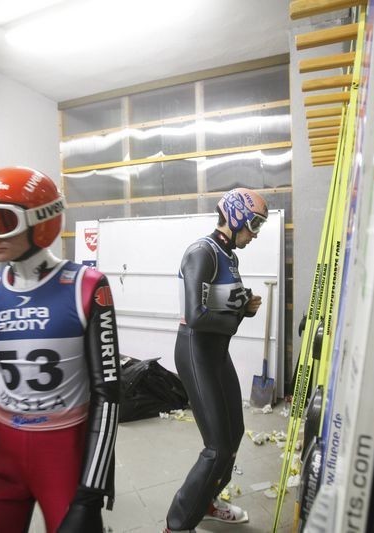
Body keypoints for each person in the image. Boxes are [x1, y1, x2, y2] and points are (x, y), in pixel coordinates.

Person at [0, 166, 121, 533]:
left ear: (41, 221)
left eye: (1, 220)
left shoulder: (87, 286)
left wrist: (90, 494)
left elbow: (109, 395)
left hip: (62, 455)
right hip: (4, 456)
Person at [164, 188, 267, 532]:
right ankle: (177, 524)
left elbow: (222, 306)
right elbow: (195, 316)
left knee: (234, 433)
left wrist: (244, 306)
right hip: (196, 350)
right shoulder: (201, 252)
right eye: (254, 225)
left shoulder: (229, 255)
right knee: (217, 447)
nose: (255, 234)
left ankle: (208, 499)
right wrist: (239, 316)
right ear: (235, 216)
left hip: (216, 351)